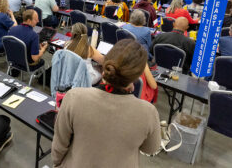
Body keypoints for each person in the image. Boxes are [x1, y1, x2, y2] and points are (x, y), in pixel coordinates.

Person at [52, 39, 161, 168]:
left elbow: (59, 145)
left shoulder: (74, 97)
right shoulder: (148, 112)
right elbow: (150, 149)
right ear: (138, 75)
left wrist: (57, 164)